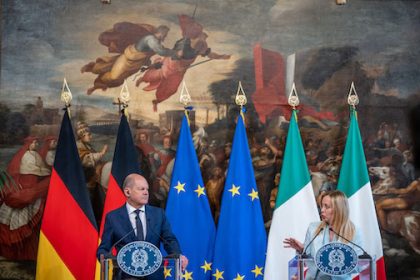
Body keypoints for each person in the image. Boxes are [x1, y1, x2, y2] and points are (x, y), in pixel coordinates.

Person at [97, 173, 188, 280]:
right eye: (141, 189)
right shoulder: (113, 217)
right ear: (127, 192)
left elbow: (169, 240)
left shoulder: (158, 215)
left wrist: (178, 255)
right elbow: (103, 249)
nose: (146, 192)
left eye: (147, 189)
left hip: (154, 277)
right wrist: (108, 259)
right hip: (125, 277)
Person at [283, 190, 363, 280]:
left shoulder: (354, 231)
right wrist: (302, 249)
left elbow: (359, 264)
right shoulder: (313, 228)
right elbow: (308, 259)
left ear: (339, 209)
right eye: (321, 206)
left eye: (327, 207)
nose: (322, 210)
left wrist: (336, 266)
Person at [82, 24, 178, 95]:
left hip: (136, 63)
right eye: (165, 34)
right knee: (113, 75)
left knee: (119, 78)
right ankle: (94, 74)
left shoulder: (155, 41)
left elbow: (158, 52)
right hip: (128, 59)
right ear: (161, 33)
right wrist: (175, 52)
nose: (165, 36)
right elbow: (161, 51)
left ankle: (97, 85)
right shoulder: (151, 39)